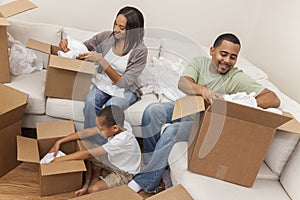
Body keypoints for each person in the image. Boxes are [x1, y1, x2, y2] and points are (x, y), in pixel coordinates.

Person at [128, 33, 281, 193]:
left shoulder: (236, 77)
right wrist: (203, 90)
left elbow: (273, 99)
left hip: (205, 123)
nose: (227, 61)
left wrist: (234, 102)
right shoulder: (199, 63)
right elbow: (183, 83)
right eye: (223, 54)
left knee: (172, 131)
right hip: (189, 109)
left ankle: (146, 182)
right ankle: (153, 164)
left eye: (233, 57)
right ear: (212, 51)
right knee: (153, 111)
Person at [59, 6, 148, 145]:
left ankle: (105, 146)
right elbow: (84, 47)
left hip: (127, 89)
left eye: (121, 27)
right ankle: (93, 142)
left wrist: (101, 60)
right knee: (90, 100)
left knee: (110, 108)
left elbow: (123, 83)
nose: (116, 30)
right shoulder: (107, 37)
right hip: (105, 82)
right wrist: (68, 44)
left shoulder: (140, 51)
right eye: (115, 24)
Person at [49, 105, 141, 196]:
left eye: (101, 129)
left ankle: (92, 181)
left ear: (115, 128)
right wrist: (59, 141)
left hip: (124, 173)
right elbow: (86, 132)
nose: (99, 131)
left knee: (93, 189)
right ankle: (91, 181)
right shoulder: (121, 125)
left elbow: (88, 154)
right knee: (86, 147)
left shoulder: (121, 140)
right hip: (113, 160)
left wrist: (60, 159)